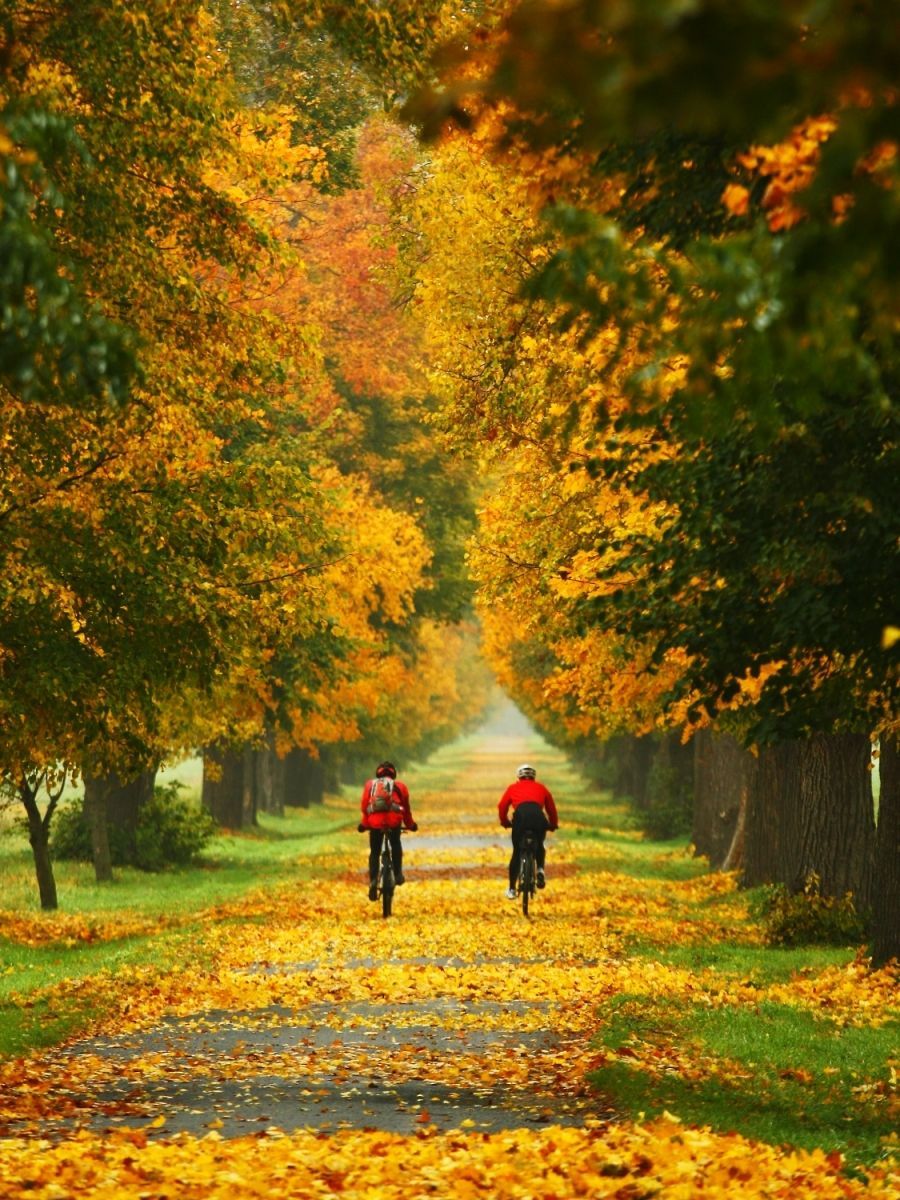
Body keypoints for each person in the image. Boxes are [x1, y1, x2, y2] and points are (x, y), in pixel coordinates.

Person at [358, 760, 417, 901]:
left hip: (375, 823)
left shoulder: (370, 785)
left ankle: (373, 880)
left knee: (375, 852)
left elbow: (365, 807)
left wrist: (365, 824)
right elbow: (406, 810)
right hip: (393, 821)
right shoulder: (401, 787)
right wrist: (411, 825)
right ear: (394, 774)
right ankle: (397, 874)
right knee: (395, 843)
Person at [498, 763, 558, 900]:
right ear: (533, 777)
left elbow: (502, 806)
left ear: (518, 777)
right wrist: (553, 824)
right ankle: (540, 870)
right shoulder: (541, 788)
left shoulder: (513, 787)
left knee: (517, 852)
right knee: (540, 845)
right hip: (538, 817)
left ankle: (512, 889)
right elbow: (551, 808)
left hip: (520, 818)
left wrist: (505, 822)